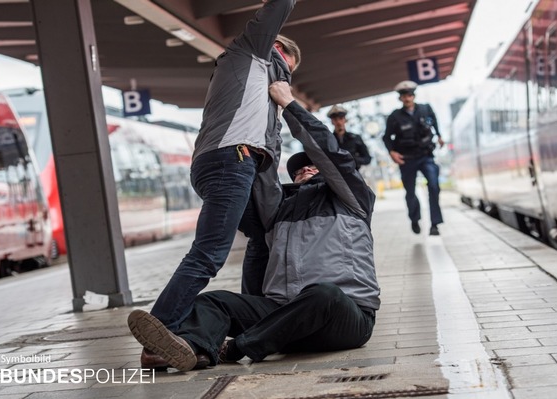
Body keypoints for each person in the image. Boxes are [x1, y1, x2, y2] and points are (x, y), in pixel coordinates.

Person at [127, 81, 380, 372]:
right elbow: (262, 168)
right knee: (213, 301)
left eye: (313, 166)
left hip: (344, 318)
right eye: (298, 169)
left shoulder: (353, 198)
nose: (305, 169)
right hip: (282, 321)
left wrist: (289, 105)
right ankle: (191, 349)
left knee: (323, 294)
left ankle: (235, 348)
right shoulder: (277, 210)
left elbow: (329, 153)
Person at [129, 0, 301, 369]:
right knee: (208, 254)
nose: (286, 79)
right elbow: (279, 7)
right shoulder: (251, 52)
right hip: (230, 160)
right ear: (278, 49)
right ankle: (160, 330)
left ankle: (254, 320)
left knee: (262, 233)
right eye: (288, 69)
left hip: (231, 162)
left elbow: (269, 161)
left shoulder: (262, 97)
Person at [383, 80, 445, 236]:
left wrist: (439, 136)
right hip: (407, 159)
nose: (407, 98)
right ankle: (414, 218)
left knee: (433, 186)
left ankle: (435, 225)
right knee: (410, 192)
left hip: (426, 156)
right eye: (404, 96)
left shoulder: (425, 109)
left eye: (409, 95)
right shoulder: (395, 116)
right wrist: (392, 152)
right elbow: (386, 137)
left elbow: (434, 122)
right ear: (400, 98)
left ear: (413, 96)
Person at [326, 105, 371, 170]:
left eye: (341, 118)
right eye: (335, 119)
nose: (338, 122)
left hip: (354, 173)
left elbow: (367, 159)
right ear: (332, 122)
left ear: (345, 120)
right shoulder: (329, 140)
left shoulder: (355, 138)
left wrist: (355, 160)